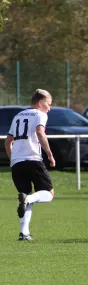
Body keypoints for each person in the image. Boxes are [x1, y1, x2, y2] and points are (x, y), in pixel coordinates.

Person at [4, 89, 56, 241]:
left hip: (17, 163)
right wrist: (50, 154)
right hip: (33, 159)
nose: (49, 108)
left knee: (26, 194)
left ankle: (24, 233)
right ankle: (27, 200)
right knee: (48, 194)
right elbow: (40, 132)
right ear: (40, 103)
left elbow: (8, 142)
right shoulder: (40, 114)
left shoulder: (18, 116)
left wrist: (13, 159)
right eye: (48, 104)